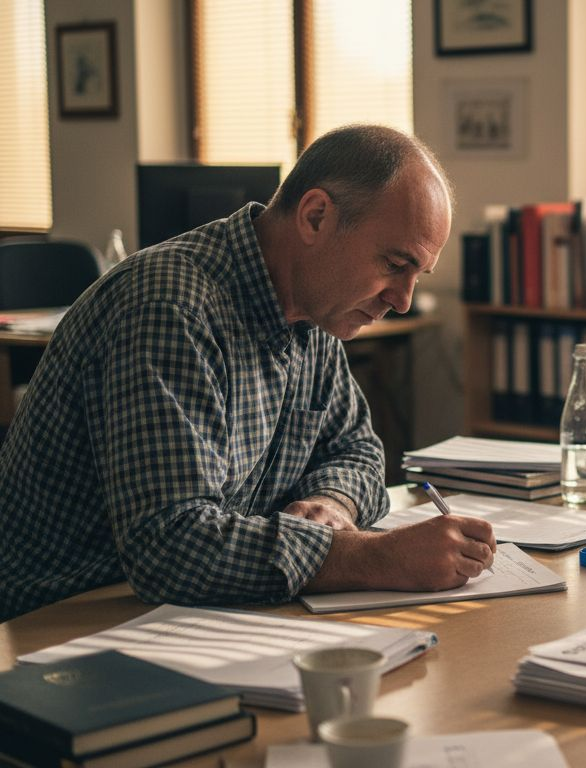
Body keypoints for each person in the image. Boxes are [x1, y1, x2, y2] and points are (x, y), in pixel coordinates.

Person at [0, 125, 497, 623]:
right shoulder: (168, 308)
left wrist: (332, 502)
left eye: (417, 275)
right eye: (393, 264)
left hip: (198, 611)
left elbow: (358, 449)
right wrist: (377, 558)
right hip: (63, 619)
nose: (403, 300)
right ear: (316, 217)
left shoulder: (315, 310)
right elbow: (169, 548)